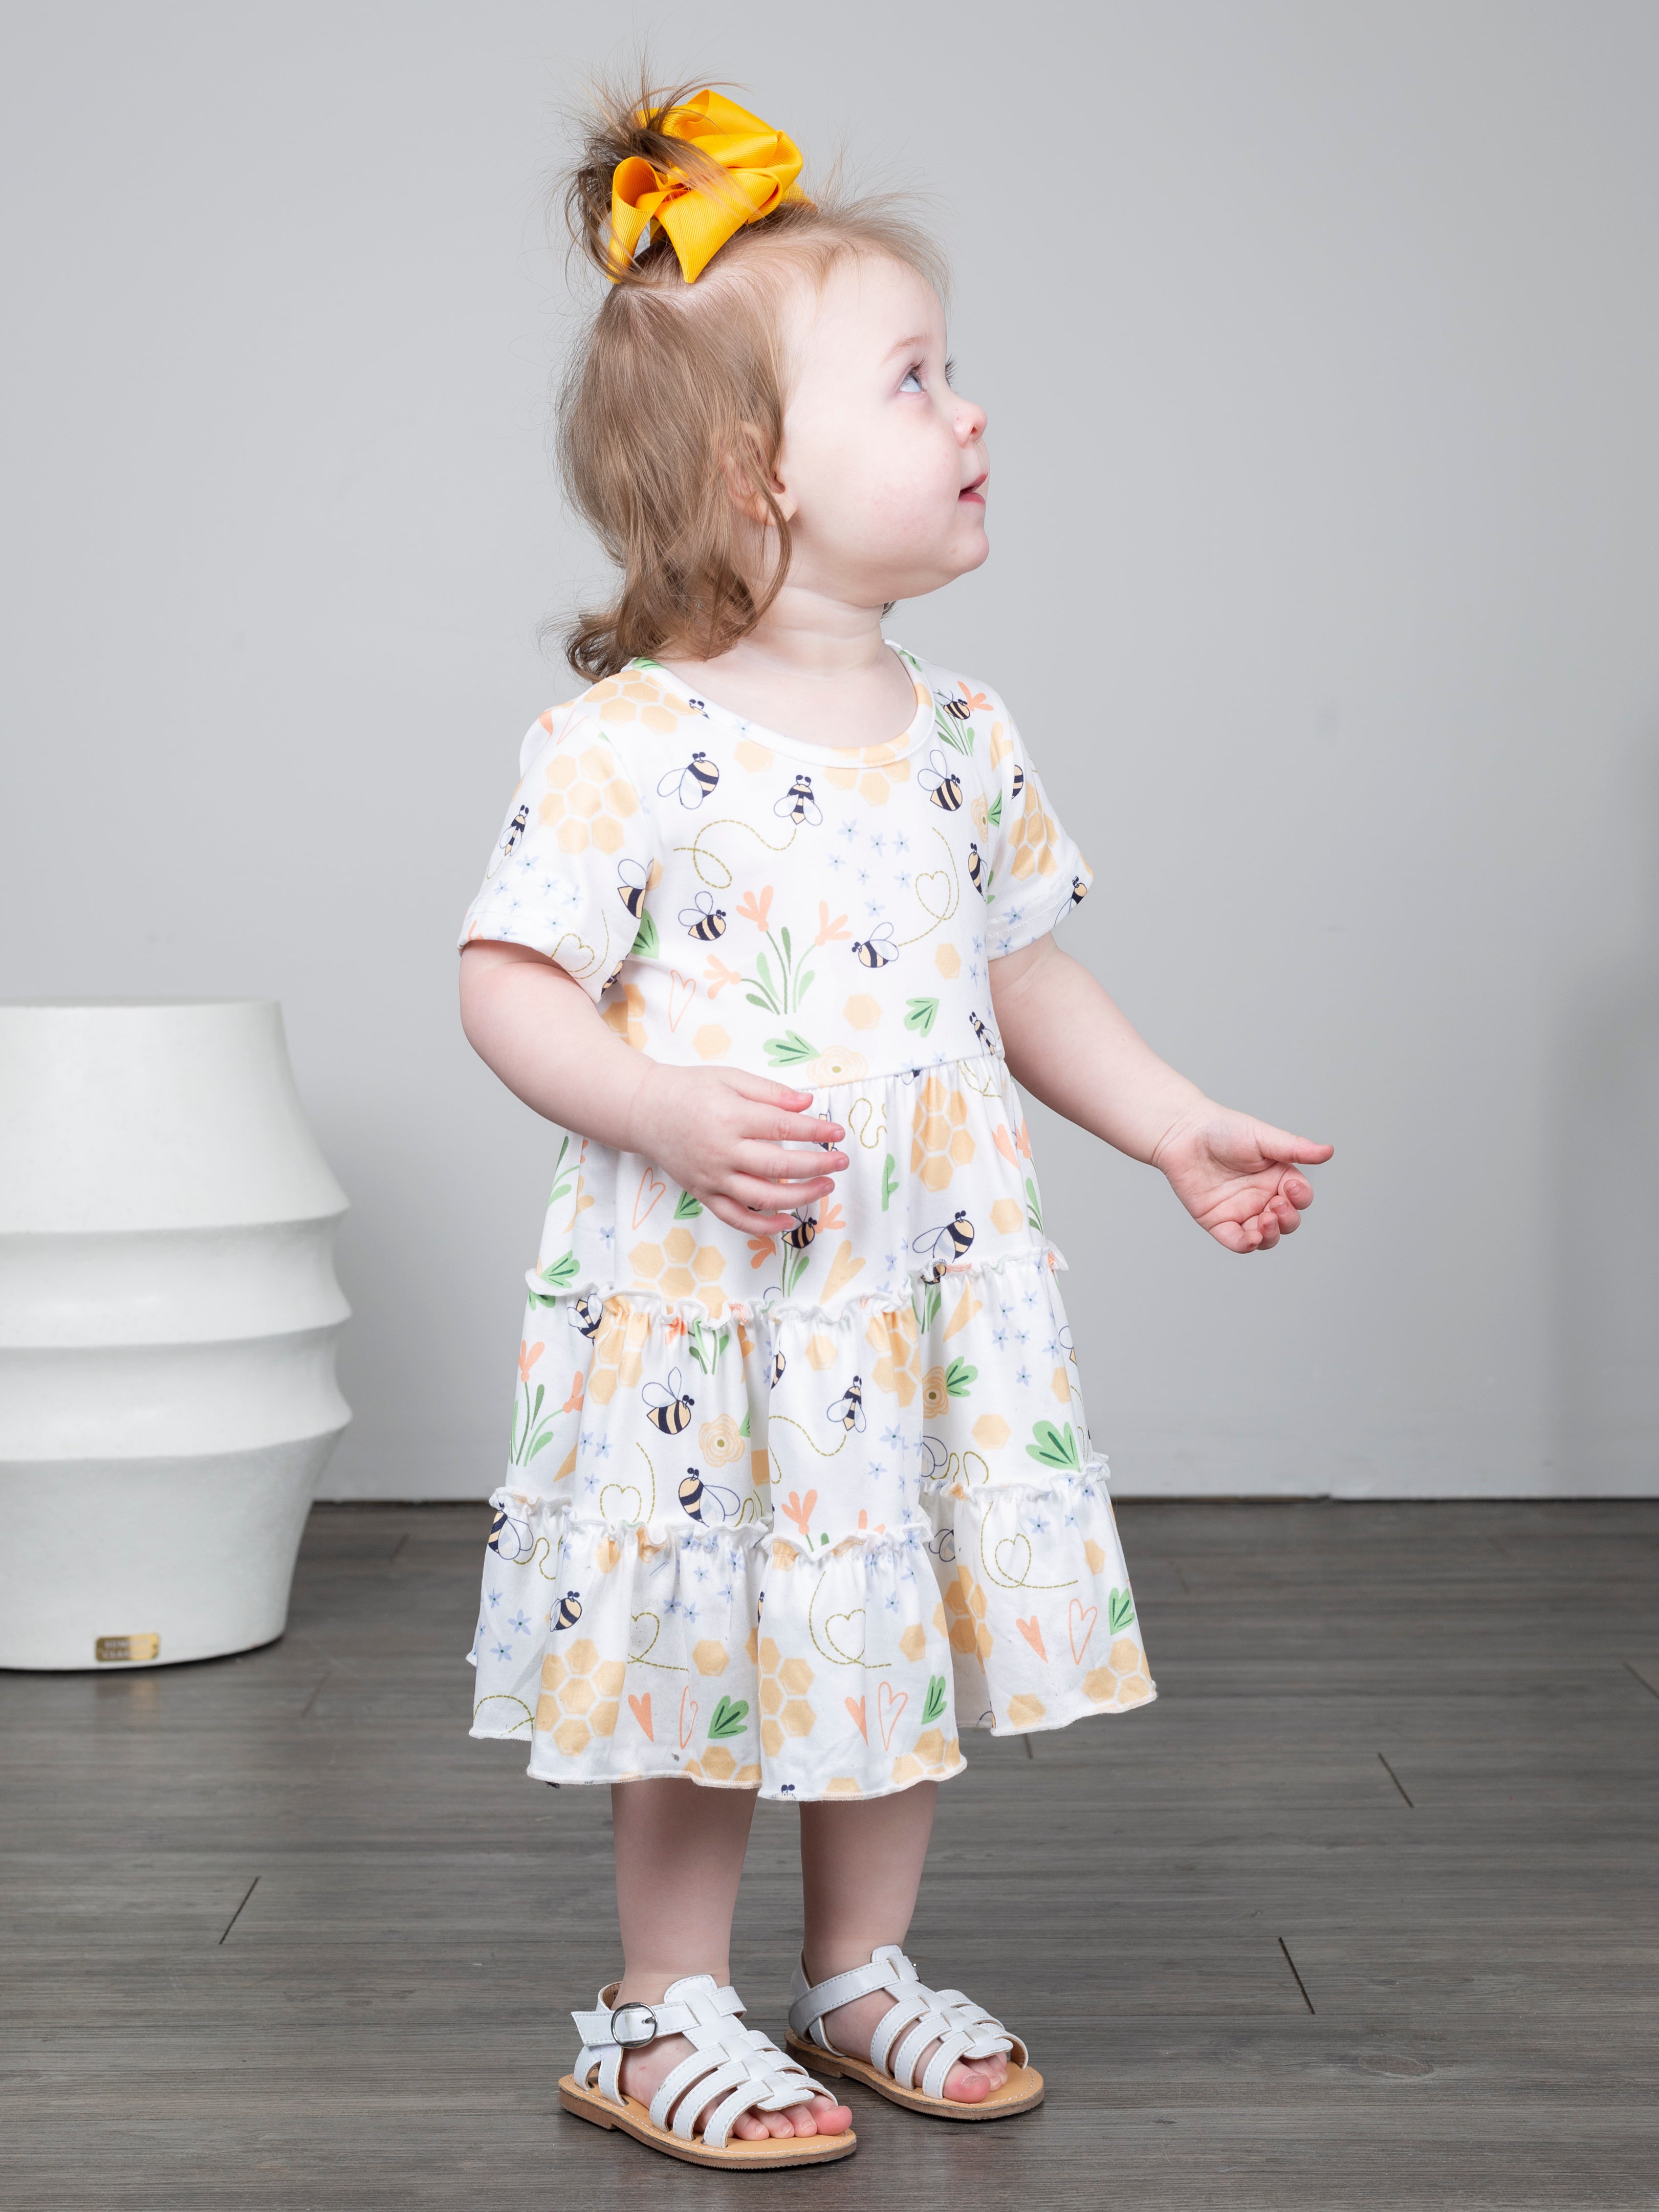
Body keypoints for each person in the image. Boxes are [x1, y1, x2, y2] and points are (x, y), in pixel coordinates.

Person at [457, 79, 1333, 2171]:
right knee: (706, 1638)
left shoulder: (960, 735)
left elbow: (1019, 970)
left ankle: (855, 1968)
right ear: (754, 472)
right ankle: (658, 2003)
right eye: (916, 378)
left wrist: (1170, 1122)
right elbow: (506, 979)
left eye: (954, 370)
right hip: (718, 1303)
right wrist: (661, 1104)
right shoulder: (624, 746)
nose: (970, 410)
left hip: (909, 1290)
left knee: (886, 1612)